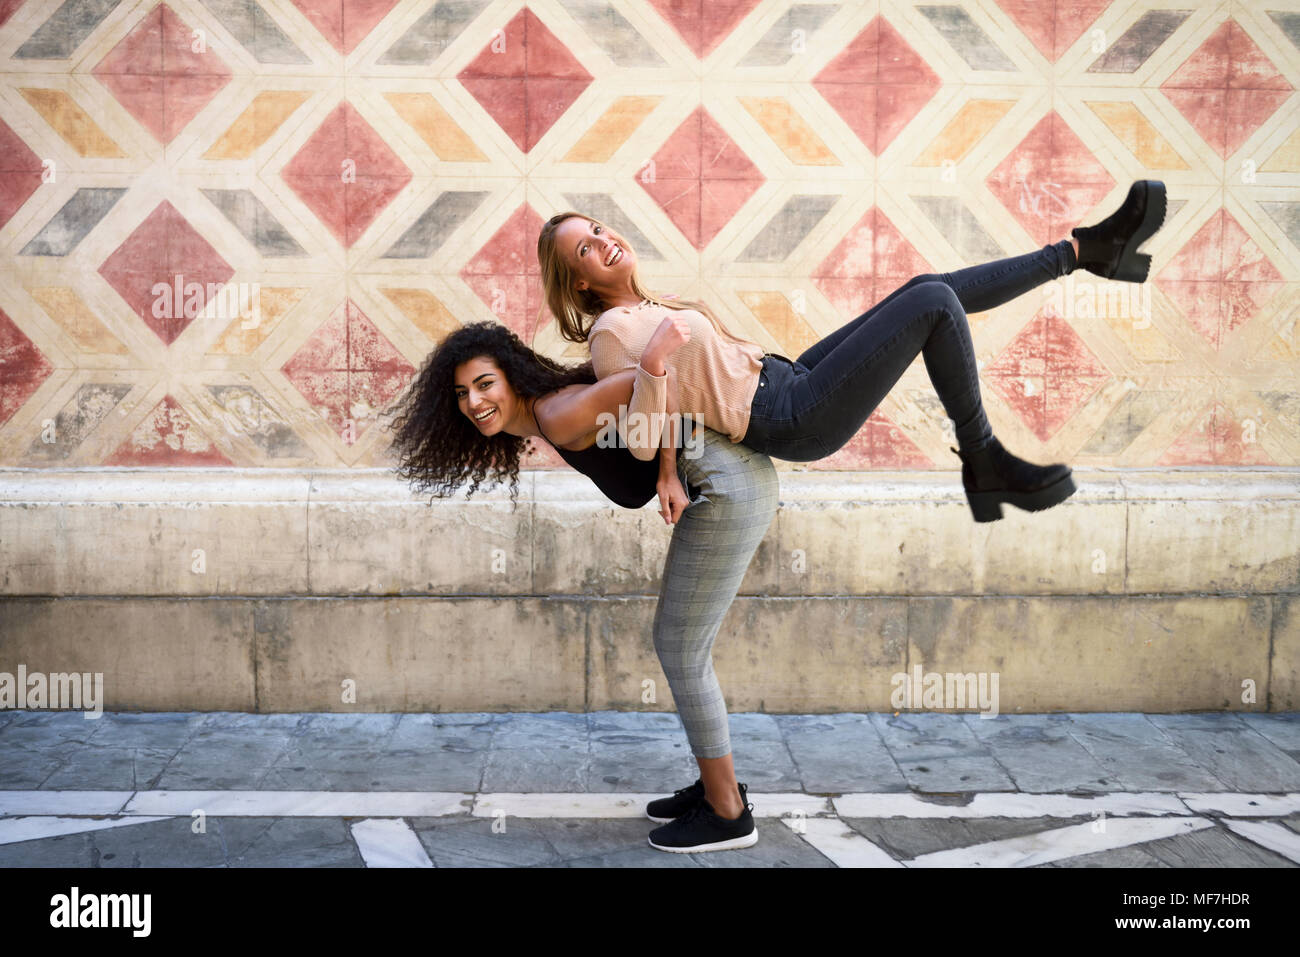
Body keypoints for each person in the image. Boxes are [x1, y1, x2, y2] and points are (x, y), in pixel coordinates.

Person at [536, 180, 1167, 522]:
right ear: (580, 282)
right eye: (584, 251)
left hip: (787, 376)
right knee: (933, 306)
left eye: (596, 229)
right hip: (787, 416)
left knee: (926, 288)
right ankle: (985, 460)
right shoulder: (611, 335)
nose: (602, 242)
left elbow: (671, 408)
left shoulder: (653, 305)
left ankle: (1085, 253)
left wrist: (673, 467)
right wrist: (660, 438)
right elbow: (641, 431)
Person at [385, 321, 777, 853]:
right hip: (723, 485)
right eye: (461, 393)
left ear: (512, 377)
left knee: (681, 650)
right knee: (682, 646)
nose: (473, 402)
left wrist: (667, 472)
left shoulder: (556, 413)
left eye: (484, 384)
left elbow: (663, 379)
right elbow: (647, 391)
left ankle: (728, 811)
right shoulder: (548, 416)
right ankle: (715, 789)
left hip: (729, 488)